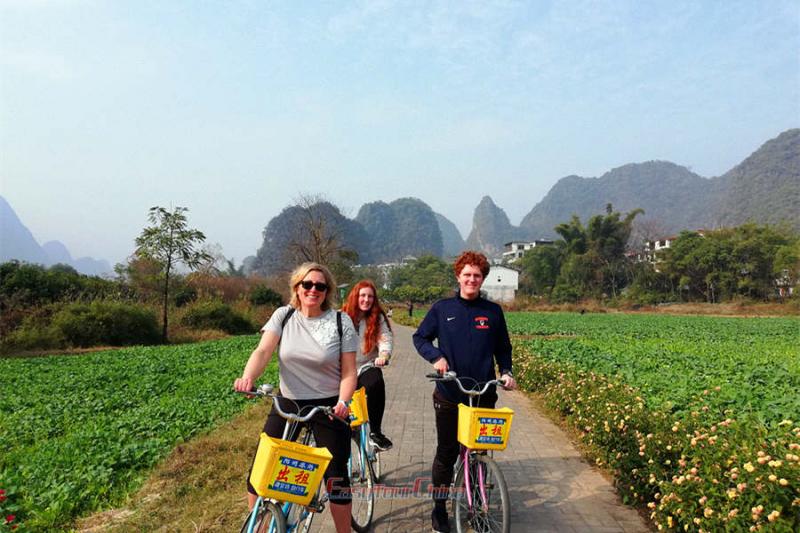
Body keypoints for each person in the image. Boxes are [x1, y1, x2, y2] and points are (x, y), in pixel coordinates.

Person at [234, 262, 357, 533]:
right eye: (307, 284)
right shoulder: (283, 315)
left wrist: (343, 402)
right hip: (288, 401)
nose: (313, 290)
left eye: (320, 286)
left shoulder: (340, 321)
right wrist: (248, 377)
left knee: (336, 478)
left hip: (327, 405)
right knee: (259, 473)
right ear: (297, 287)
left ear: (327, 291)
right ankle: (260, 525)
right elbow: (263, 351)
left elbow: (349, 372)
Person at [413, 251, 518, 533]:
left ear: (482, 279)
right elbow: (420, 337)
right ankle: (439, 509)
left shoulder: (493, 311)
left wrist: (506, 372)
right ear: (458, 276)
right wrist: (436, 357)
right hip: (450, 393)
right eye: (467, 274)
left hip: (483, 394)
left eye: (477, 275)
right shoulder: (442, 308)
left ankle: (476, 502)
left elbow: (503, 348)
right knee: (446, 453)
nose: (472, 279)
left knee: (478, 452)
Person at [342, 279, 394, 451]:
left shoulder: (376, 317)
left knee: (375, 381)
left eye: (370, 296)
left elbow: (385, 338)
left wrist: (383, 355)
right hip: (342, 369)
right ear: (355, 297)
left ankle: (375, 433)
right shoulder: (341, 316)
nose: (366, 300)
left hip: (365, 365)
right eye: (362, 295)